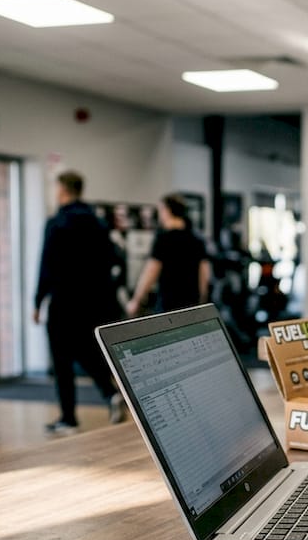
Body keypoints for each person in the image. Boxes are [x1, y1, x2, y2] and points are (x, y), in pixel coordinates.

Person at [33, 171, 124, 435]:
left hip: (64, 300)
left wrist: (37, 301)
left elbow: (46, 265)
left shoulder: (57, 222)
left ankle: (68, 417)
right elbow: (113, 259)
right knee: (85, 351)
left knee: (62, 359)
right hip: (94, 301)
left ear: (62, 190)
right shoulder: (97, 222)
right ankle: (109, 393)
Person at [125, 194, 211, 316]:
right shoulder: (196, 239)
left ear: (167, 210)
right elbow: (204, 274)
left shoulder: (164, 239)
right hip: (191, 304)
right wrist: (202, 300)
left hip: (168, 305)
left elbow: (151, 272)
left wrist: (136, 300)